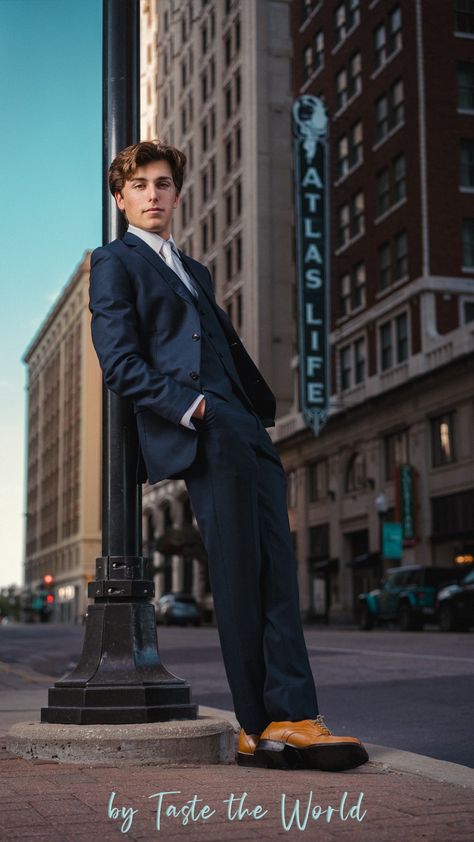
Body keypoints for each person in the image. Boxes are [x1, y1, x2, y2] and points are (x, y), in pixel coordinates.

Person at [89, 140, 368, 772]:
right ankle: (259, 723)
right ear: (121, 198)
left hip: (244, 427)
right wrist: (198, 410)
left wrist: (242, 409)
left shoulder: (195, 268)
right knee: (241, 576)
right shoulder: (115, 263)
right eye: (140, 186)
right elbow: (121, 364)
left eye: (164, 183)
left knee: (277, 572)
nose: (154, 194)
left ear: (177, 194)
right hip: (205, 425)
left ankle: (293, 717)